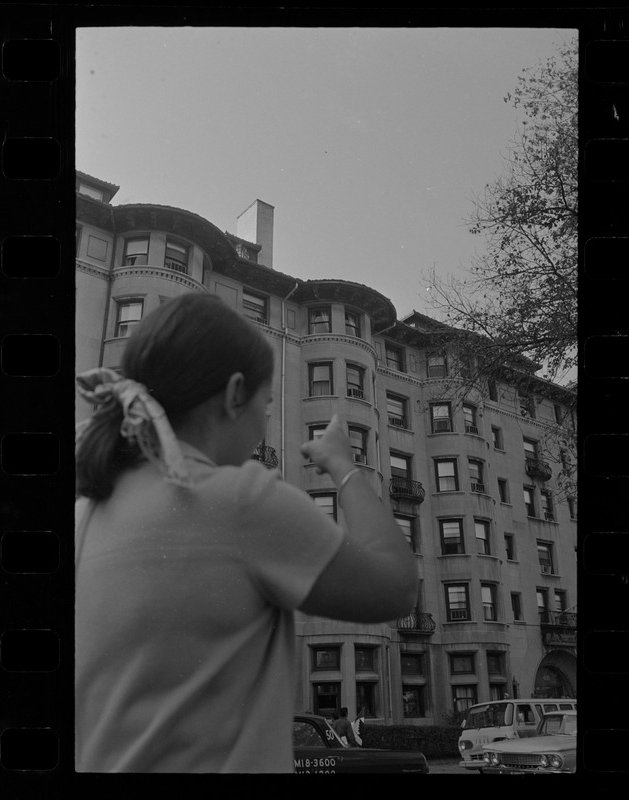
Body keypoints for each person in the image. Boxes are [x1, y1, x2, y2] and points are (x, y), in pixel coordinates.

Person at [74, 292, 418, 773]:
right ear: (235, 394)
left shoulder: (85, 512)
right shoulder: (239, 500)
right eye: (266, 402)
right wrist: (344, 465)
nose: (265, 421)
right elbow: (398, 588)